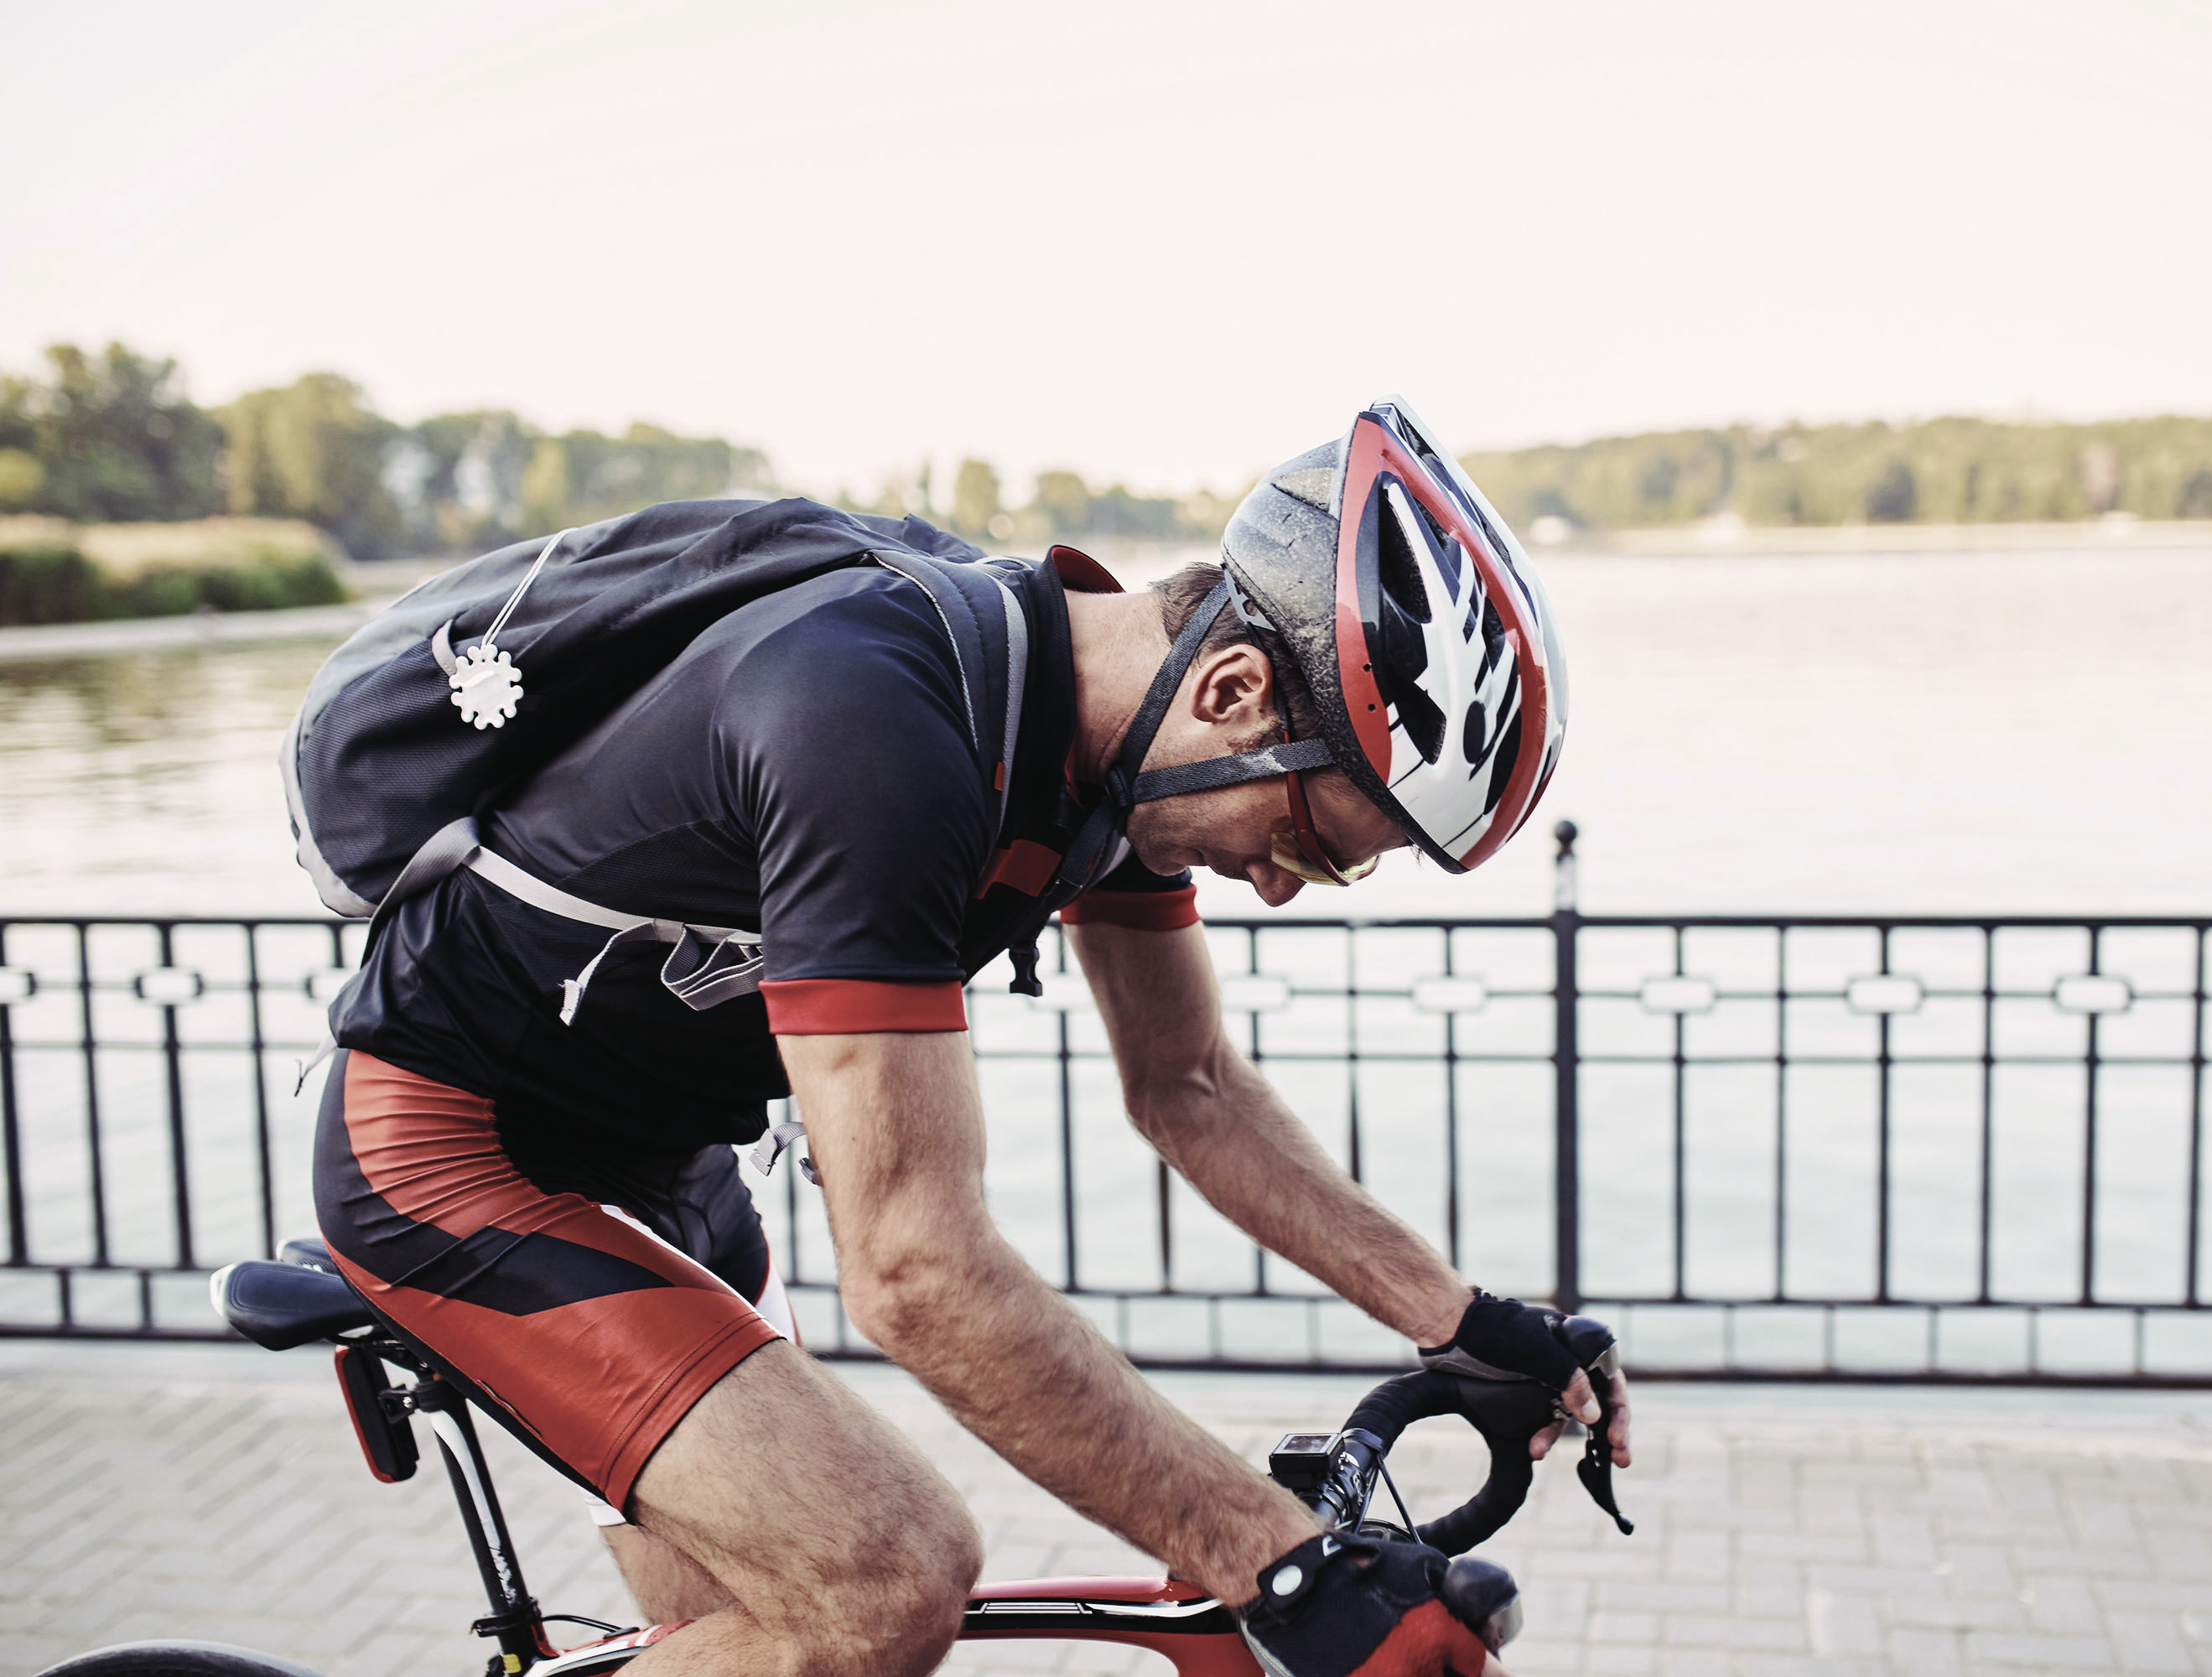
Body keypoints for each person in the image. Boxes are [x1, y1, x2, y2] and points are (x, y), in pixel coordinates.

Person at [313, 397, 1623, 1677]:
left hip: (675, 1175)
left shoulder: (1104, 762)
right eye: (1309, 846)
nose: (1281, 886)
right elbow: (917, 1271)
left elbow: (1192, 1087)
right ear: (1231, 689)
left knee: (768, 1631)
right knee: (886, 1581)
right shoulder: (877, 725)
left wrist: (1464, 1323)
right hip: (451, 1150)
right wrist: (1282, 1562)